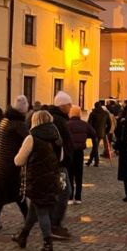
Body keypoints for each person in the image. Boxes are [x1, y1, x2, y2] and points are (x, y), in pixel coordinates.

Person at [12, 111, 62, 251]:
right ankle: (23, 236)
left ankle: (47, 244)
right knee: (34, 209)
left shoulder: (31, 138)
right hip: (52, 177)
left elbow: (18, 161)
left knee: (41, 211)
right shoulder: (56, 137)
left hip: (36, 179)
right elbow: (61, 157)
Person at [0, 96, 30, 232]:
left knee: (1, 193)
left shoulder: (4, 122)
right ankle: (29, 220)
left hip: (0, 162)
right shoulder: (18, 124)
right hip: (12, 164)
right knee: (18, 193)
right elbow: (29, 141)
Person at [47, 91, 74, 239]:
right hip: (59, 164)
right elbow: (60, 142)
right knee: (64, 192)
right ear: (62, 105)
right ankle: (54, 225)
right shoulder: (58, 120)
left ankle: (48, 224)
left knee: (54, 193)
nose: (71, 107)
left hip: (57, 163)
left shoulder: (57, 118)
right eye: (69, 104)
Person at [66, 106, 96, 205]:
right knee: (79, 175)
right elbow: (93, 133)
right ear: (79, 114)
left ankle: (70, 197)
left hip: (70, 152)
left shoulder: (67, 125)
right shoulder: (84, 124)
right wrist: (84, 136)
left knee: (69, 175)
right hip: (79, 152)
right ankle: (78, 197)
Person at [87, 101, 109, 167]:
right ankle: (90, 161)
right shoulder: (105, 113)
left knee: (95, 147)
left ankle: (96, 161)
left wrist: (89, 132)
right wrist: (105, 131)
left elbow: (89, 124)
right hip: (102, 132)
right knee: (95, 146)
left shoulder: (93, 113)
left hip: (94, 132)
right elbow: (109, 124)